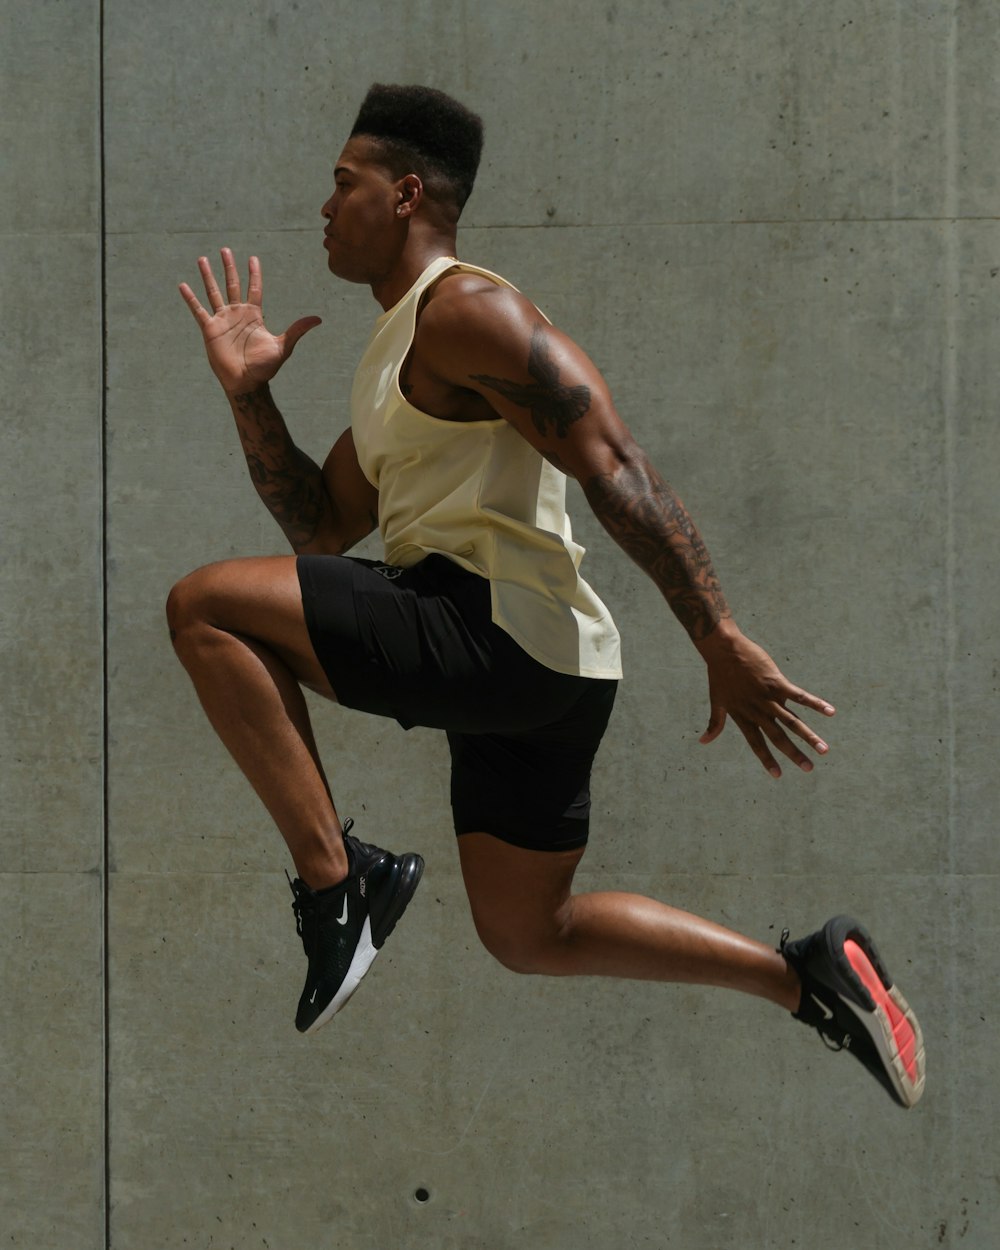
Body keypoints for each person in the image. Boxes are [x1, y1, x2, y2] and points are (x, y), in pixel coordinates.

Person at [169, 83, 925, 1108]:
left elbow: (616, 466)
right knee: (530, 931)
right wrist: (248, 390)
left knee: (204, 604)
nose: (322, 206)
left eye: (341, 184)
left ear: (403, 195)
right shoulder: (395, 355)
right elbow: (317, 526)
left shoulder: (467, 310)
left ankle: (337, 880)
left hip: (493, 630)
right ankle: (809, 977)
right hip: (545, 667)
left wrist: (718, 632)